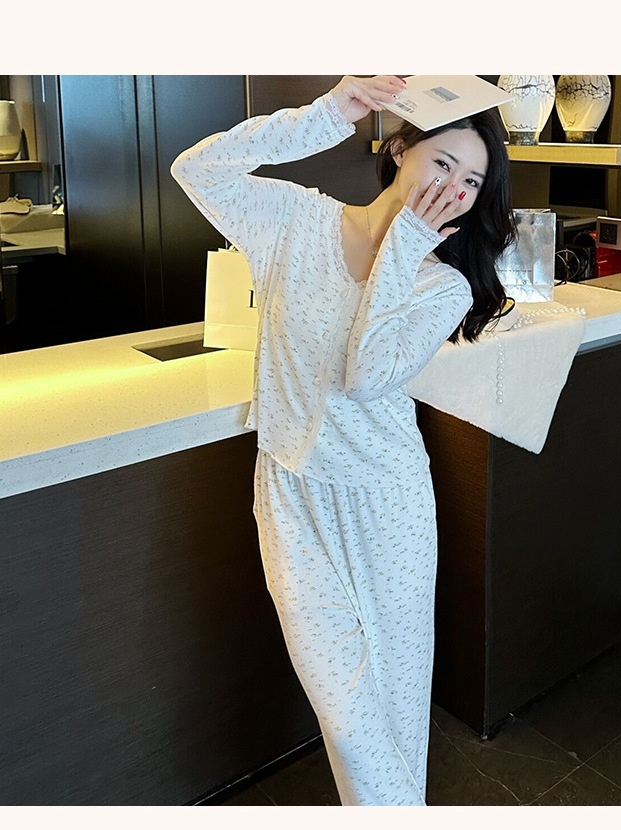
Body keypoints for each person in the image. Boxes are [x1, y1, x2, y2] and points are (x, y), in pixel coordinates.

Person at [171, 75, 516, 807]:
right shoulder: (296, 221)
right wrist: (326, 115)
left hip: (388, 506)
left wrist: (405, 247)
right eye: (443, 162)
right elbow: (196, 169)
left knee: (393, 711)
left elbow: (366, 375)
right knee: (349, 718)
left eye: (472, 181)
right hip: (291, 496)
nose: (453, 188)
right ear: (398, 150)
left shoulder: (442, 286)